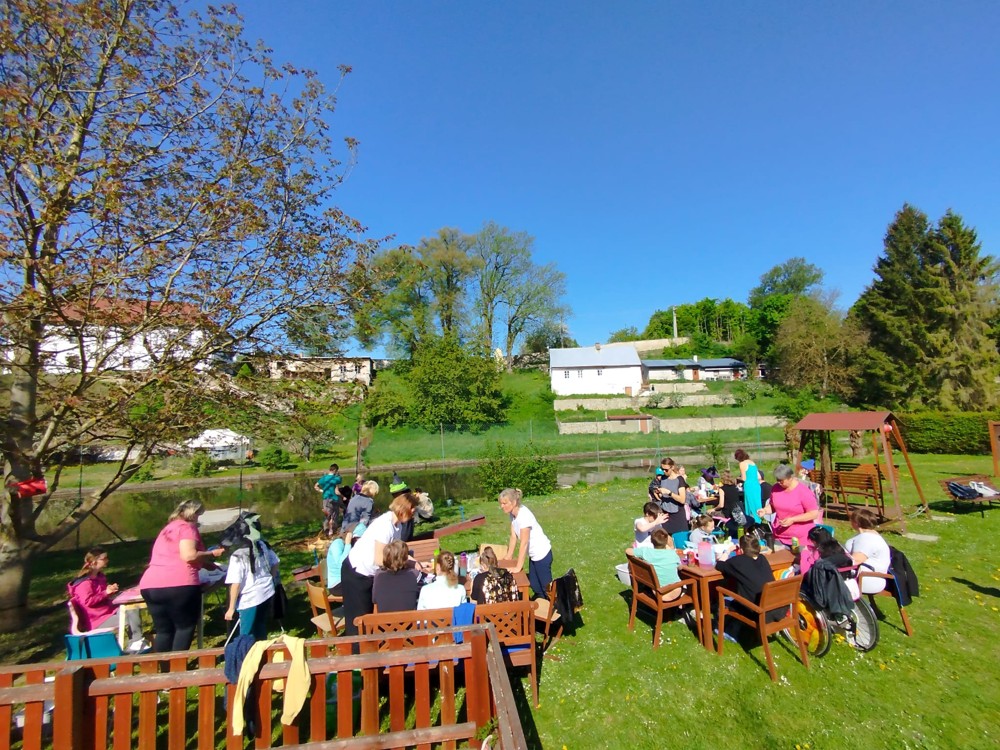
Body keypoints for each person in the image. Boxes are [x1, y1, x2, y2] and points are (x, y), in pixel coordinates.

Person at [139, 500, 224, 652]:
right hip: (178, 584)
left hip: (150, 584)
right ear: (192, 513)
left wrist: (204, 564)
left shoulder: (167, 529)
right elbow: (189, 555)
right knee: (184, 627)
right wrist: (212, 553)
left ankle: (163, 664)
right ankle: (178, 664)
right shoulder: (187, 528)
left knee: (164, 630)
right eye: (198, 514)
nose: (198, 518)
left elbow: (173, 555)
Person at [340, 492, 419, 636]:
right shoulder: (385, 526)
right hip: (357, 574)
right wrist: (405, 565)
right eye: (412, 510)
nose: (413, 514)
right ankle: (356, 648)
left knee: (369, 617)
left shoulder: (398, 526)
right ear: (403, 509)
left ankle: (371, 645)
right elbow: (379, 559)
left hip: (369, 574)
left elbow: (397, 553)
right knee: (359, 619)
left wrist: (416, 563)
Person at [67, 547, 143, 647]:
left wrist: (110, 591)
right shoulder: (84, 583)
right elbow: (87, 602)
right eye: (104, 558)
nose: (107, 560)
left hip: (108, 612)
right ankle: (136, 642)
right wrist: (105, 593)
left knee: (132, 609)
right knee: (131, 618)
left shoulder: (100, 577)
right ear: (94, 562)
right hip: (98, 620)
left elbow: (101, 596)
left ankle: (135, 642)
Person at [223, 514, 280, 640]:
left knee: (246, 632)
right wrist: (270, 577)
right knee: (260, 624)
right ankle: (262, 647)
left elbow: (236, 583)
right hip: (266, 591)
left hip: (250, 598)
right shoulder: (262, 545)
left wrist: (231, 608)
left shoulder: (238, 556)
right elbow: (275, 562)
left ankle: (247, 650)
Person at [715, 534, 784, 624]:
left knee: (723, 599)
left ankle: (723, 627)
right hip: (776, 609)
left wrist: (728, 551)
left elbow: (719, 565)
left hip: (758, 612)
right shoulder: (762, 558)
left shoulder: (738, 562)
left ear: (741, 550)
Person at [499, 488, 553, 598]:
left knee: (547, 588)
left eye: (504, 503)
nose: (502, 506)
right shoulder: (512, 514)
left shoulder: (524, 516)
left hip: (542, 554)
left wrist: (518, 567)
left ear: (514, 502)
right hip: (534, 556)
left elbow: (524, 543)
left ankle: (557, 606)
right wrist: (509, 556)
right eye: (501, 503)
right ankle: (540, 603)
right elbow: (513, 536)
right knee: (535, 585)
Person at [759, 464, 821, 548]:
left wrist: (793, 519)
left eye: (781, 481)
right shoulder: (775, 488)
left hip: (800, 538)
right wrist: (765, 510)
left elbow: (813, 514)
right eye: (777, 480)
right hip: (779, 536)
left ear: (790, 478)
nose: (778, 482)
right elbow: (773, 506)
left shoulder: (804, 492)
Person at [844, 508, 891, 594]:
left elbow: (855, 560)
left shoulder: (867, 538)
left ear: (856, 522)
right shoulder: (869, 536)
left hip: (867, 579)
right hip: (866, 577)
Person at [627, 529, 682, 598]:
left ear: (651, 541)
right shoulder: (672, 554)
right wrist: (670, 549)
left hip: (656, 591)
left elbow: (628, 551)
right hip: (675, 591)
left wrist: (633, 547)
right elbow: (680, 568)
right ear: (666, 541)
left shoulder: (646, 552)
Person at [372, 540, 420, 613]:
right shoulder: (413, 575)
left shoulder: (378, 577)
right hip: (409, 619)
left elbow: (375, 600)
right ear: (405, 558)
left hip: (385, 619)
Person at [653, 463, 689, 536]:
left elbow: (682, 500)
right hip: (665, 512)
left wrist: (669, 493)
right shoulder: (663, 478)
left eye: (666, 470)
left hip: (677, 513)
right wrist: (659, 492)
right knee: (665, 538)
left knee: (680, 538)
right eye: (662, 469)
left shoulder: (679, 479)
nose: (664, 471)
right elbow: (662, 496)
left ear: (672, 467)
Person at [717, 470, 748, 539]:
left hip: (728, 512)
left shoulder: (722, 489)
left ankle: (718, 532)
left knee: (711, 513)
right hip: (737, 510)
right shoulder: (735, 488)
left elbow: (721, 505)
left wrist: (713, 509)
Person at [314, 464, 344, 537]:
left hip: (326, 498)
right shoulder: (336, 478)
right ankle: (333, 531)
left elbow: (316, 486)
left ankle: (327, 531)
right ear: (335, 470)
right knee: (334, 515)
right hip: (334, 498)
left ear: (329, 469)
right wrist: (338, 475)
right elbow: (339, 481)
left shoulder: (324, 478)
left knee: (327, 515)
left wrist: (321, 490)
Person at [735, 449, 763, 520]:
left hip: (749, 486)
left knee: (750, 504)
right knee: (757, 503)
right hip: (756, 485)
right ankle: (759, 518)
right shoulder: (752, 462)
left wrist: (737, 478)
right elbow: (759, 477)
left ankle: (752, 520)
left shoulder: (742, 464)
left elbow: (744, 478)